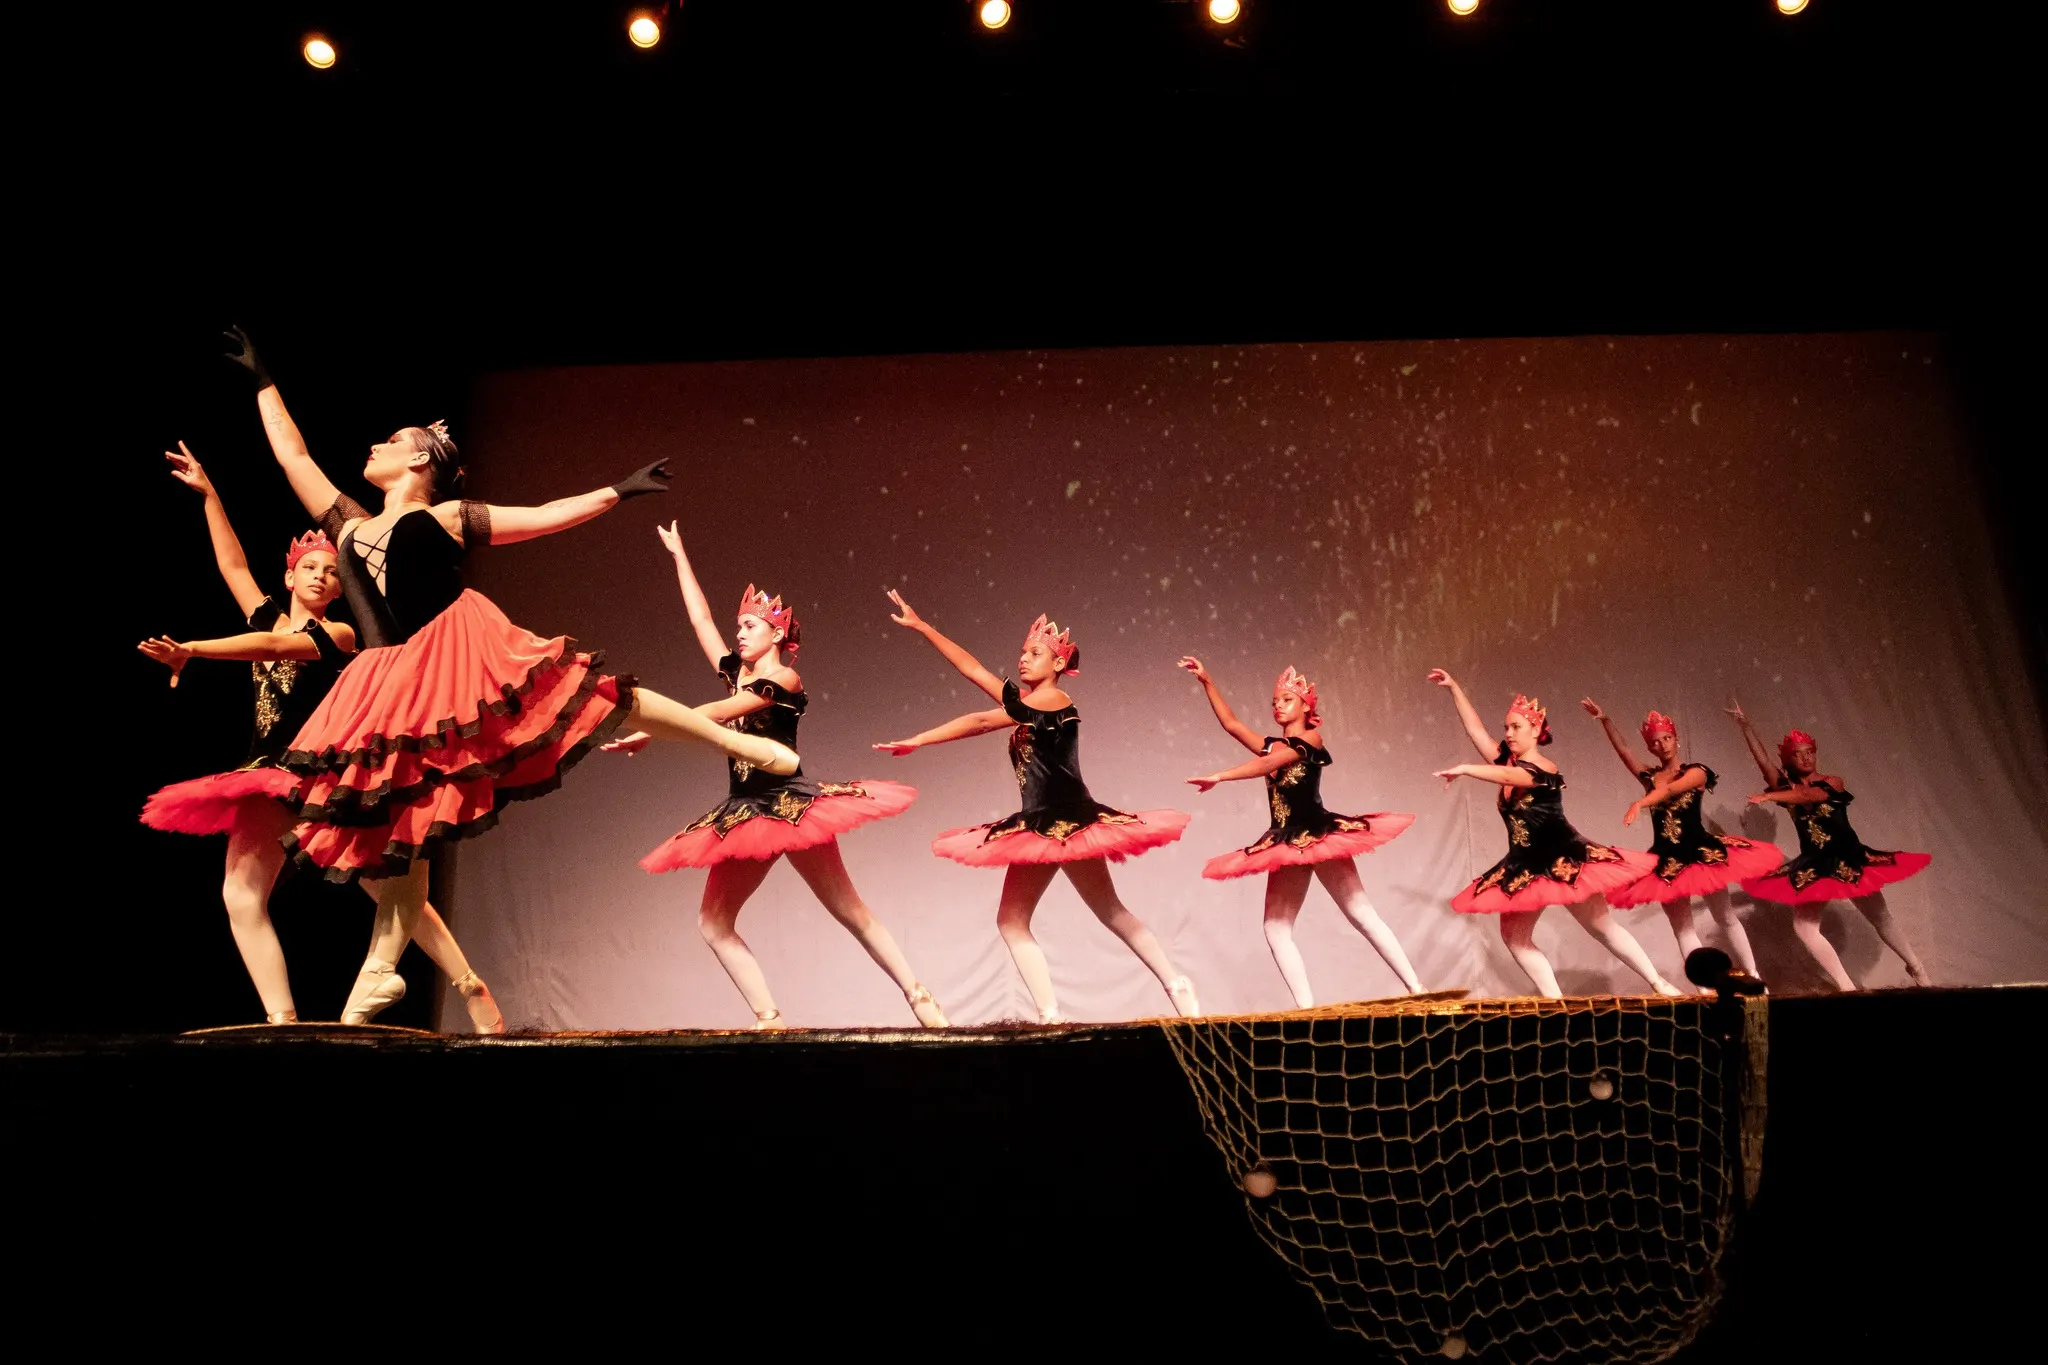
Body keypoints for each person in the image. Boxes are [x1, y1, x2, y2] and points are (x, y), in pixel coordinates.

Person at [224, 327, 797, 1024]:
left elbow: (547, 517)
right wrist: (263, 381)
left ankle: (740, 744)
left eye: (390, 440)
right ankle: (376, 974)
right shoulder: (346, 526)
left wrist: (616, 490)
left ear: (419, 460)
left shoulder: (447, 516)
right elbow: (292, 454)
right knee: (406, 819)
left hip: (455, 650)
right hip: (382, 683)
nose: (374, 446)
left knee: (591, 695)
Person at [139, 442, 503, 1030]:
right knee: (241, 896)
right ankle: (283, 1020)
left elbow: (275, 647)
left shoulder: (338, 635)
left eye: (333, 571)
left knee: (387, 888)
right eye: (311, 567)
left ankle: (468, 983)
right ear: (289, 574)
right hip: (264, 774)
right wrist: (211, 496)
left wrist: (193, 650)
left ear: (340, 588)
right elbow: (234, 569)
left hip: (324, 778)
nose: (322, 575)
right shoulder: (267, 615)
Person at [606, 523, 945, 1028]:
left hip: (790, 807)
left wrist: (657, 728)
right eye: (738, 625)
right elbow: (699, 619)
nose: (739, 632)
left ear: (777, 634)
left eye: (749, 625)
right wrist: (680, 555)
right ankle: (769, 1019)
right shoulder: (732, 669)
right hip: (745, 812)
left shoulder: (784, 677)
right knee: (714, 922)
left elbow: (729, 710)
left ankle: (921, 998)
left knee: (848, 910)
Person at [876, 593, 1198, 1022]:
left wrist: (922, 731)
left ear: (1059, 665)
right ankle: (1050, 1014)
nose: (1023, 660)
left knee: (1108, 912)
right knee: (1012, 919)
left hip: (1072, 820)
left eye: (1034, 653)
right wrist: (923, 636)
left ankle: (1178, 987)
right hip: (1038, 824)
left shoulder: (1053, 702)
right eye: (1023, 652)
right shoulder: (1028, 707)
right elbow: (976, 696)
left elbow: (980, 701)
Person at [1181, 657, 1422, 1007]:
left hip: (1319, 835)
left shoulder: (1310, 738)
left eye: (1287, 700)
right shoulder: (1270, 744)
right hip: (1284, 841)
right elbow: (1232, 725)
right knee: (1275, 928)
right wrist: (1207, 681)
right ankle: (1307, 1008)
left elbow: (1268, 764)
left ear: (1306, 707)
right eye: (1275, 701)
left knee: (1360, 913)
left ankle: (1417, 988)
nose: (1278, 706)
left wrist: (1221, 776)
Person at [1428, 670, 1679, 997]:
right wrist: (1455, 689)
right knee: (1514, 936)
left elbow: (1510, 774)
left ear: (1535, 730)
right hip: (1526, 863)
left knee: (1601, 927)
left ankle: (1659, 983)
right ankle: (1554, 1002)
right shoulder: (1508, 761)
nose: (1508, 733)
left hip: (1565, 856)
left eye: (1516, 727)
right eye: (1506, 727)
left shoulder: (1544, 769)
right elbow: (1476, 730)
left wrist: (1465, 769)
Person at [1726, 700, 1933, 989]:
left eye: (1810, 752)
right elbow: (1765, 766)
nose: (1806, 758)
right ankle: (1846, 986)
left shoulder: (1831, 782)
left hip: (1848, 857)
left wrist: (1771, 797)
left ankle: (1916, 966)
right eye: (1799, 755)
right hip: (1817, 863)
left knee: (1879, 916)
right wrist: (1745, 726)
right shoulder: (1787, 788)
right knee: (1804, 927)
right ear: (1789, 760)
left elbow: (1809, 797)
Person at [1579, 699, 1776, 987]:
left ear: (1676, 739)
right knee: (1683, 929)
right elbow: (1625, 752)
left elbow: (1670, 789)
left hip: (1700, 854)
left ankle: (1755, 977)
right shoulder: (1650, 776)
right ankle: (1704, 989)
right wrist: (1605, 719)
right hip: (1666, 859)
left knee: (1726, 917)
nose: (1663, 745)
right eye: (1656, 742)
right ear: (1650, 747)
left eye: (1667, 738)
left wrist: (1641, 802)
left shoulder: (1697, 772)